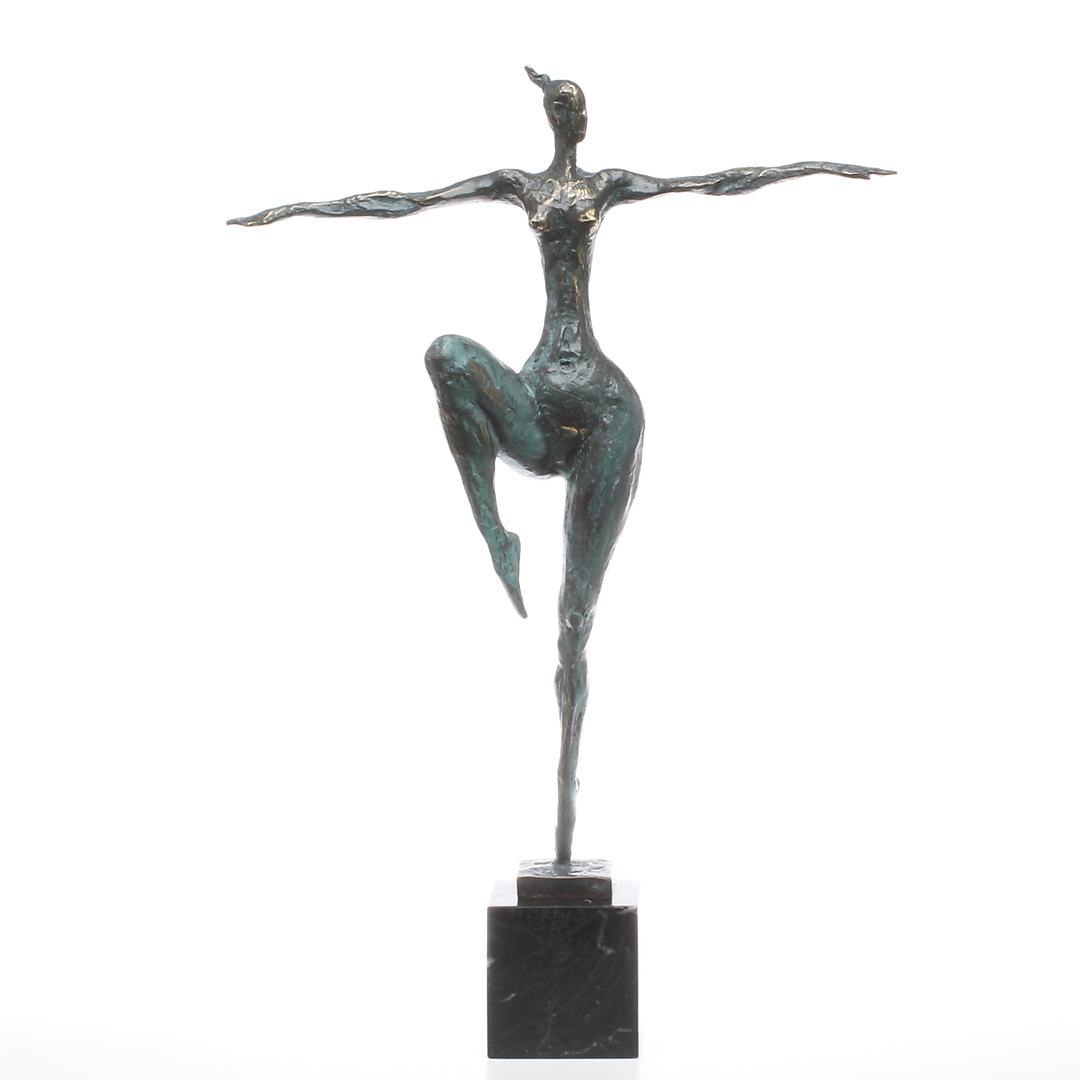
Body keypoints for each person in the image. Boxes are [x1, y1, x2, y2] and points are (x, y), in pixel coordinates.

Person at [229, 67, 893, 864]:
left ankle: (567, 824)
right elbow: (406, 200)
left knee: (575, 624)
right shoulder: (521, 185)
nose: (568, 117)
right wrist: (296, 209)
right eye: (559, 106)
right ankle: (494, 534)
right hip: (542, 395)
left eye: (574, 107)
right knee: (446, 355)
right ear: (551, 117)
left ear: (584, 120)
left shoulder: (608, 186)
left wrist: (821, 165)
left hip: (606, 411)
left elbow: (720, 181)